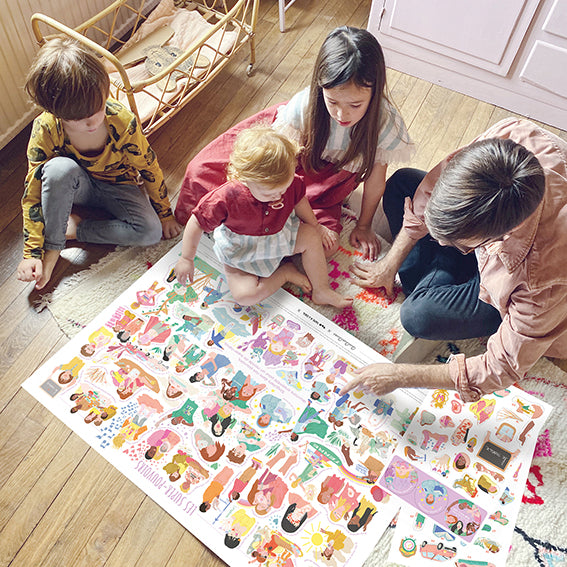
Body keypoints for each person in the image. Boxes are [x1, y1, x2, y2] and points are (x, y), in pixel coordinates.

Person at [342, 118, 567, 401]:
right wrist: (390, 265)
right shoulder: (512, 135)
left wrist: (398, 376)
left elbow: (501, 367)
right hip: (491, 241)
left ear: (499, 236)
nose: (442, 242)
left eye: (457, 244)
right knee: (401, 184)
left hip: (513, 294)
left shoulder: (544, 281)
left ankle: (446, 274)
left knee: (417, 316)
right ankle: (446, 270)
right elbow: (433, 187)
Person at [175, 26, 413, 260]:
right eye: (333, 102)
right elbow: (275, 163)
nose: (341, 115)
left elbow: (375, 184)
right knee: (201, 171)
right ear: (321, 87)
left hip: (324, 185)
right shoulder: (305, 106)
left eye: (355, 105)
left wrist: (364, 225)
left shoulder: (385, 122)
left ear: (375, 91)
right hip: (283, 160)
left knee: (325, 247)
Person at [17, 37, 182, 290]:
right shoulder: (46, 127)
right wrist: (32, 251)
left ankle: (73, 230)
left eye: (99, 109)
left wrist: (165, 214)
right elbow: (33, 191)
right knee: (57, 169)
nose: (93, 122)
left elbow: (149, 166)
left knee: (150, 232)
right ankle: (53, 247)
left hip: (119, 185)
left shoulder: (120, 120)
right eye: (81, 120)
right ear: (57, 113)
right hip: (76, 184)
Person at [174, 126, 353, 308]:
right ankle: (285, 273)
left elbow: (300, 202)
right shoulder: (225, 197)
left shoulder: (289, 182)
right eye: (271, 193)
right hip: (241, 251)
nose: (279, 196)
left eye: (283, 189)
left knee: (313, 237)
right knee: (245, 297)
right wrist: (186, 259)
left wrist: (316, 226)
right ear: (245, 178)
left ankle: (321, 290)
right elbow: (196, 222)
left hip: (281, 235)